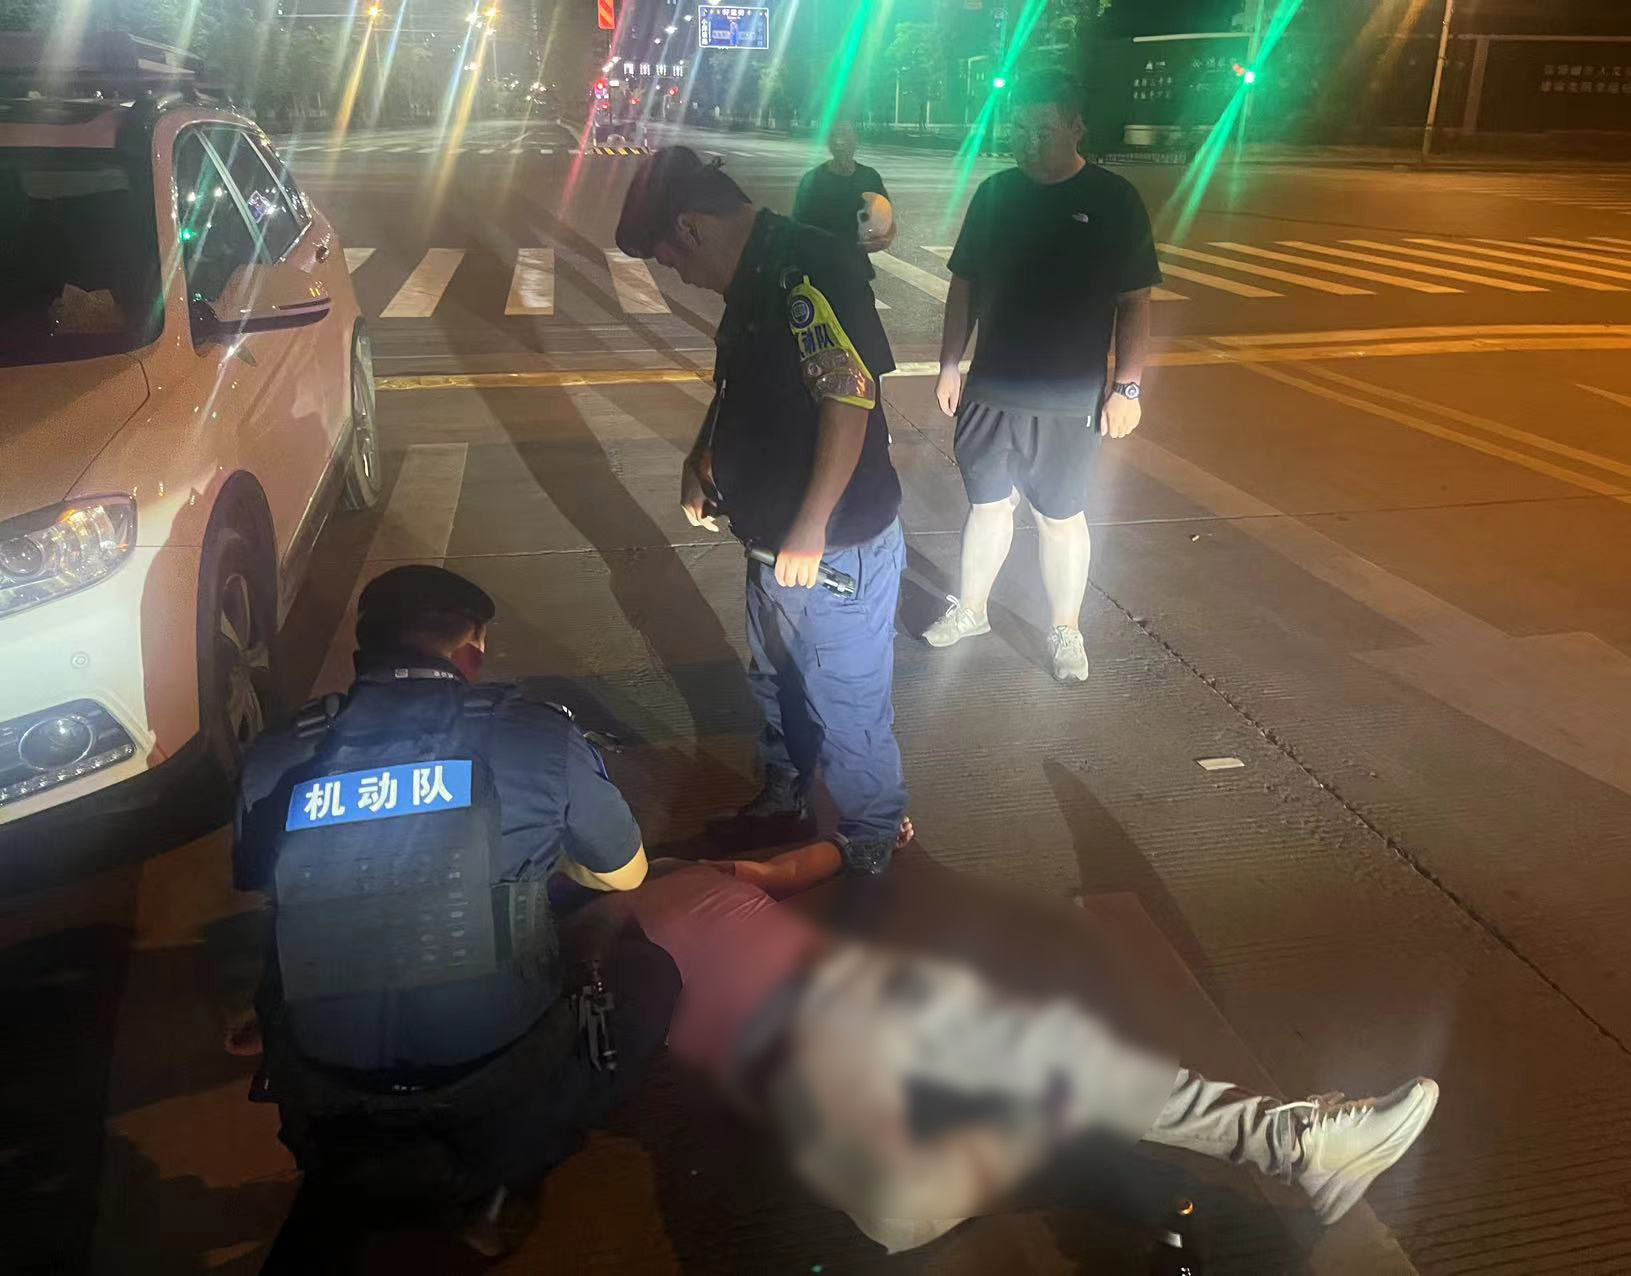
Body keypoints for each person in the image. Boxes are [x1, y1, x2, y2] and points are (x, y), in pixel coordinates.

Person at [584, 847, 1441, 1255]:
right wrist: (855, 841)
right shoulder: (663, 906)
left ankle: (1295, 1145)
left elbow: (784, 873)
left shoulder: (642, 930)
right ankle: (1292, 1145)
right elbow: (789, 871)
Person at [233, 565, 675, 1265]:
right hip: (495, 1086)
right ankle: (505, 1181)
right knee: (647, 971)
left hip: (326, 1093)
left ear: (363, 652)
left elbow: (265, 882)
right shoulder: (535, 736)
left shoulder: (278, 753)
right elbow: (625, 872)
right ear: (472, 651)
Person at [615, 146, 909, 874]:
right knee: (777, 678)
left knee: (845, 701)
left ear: (690, 227)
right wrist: (702, 457)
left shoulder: (809, 268)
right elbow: (736, 384)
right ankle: (785, 796)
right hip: (773, 539)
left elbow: (848, 398)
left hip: (834, 547)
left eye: (671, 260)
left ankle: (873, 834)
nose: (678, 275)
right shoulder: (753, 275)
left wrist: (811, 526)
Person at [926, 69, 1163, 685]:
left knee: (1059, 515)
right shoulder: (995, 194)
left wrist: (1127, 386)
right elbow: (964, 284)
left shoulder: (1113, 200)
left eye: (1042, 129)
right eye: (1018, 128)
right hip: (991, 387)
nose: (1027, 141)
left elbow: (1135, 300)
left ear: (1075, 127)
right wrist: (951, 363)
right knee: (987, 504)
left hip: (1068, 396)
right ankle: (972, 609)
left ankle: (1065, 627)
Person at [793, 120, 897, 253]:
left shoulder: (870, 177)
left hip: (856, 261)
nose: (839, 141)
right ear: (828, 142)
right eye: (834, 135)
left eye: (845, 134)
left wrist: (884, 239)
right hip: (818, 259)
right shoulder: (813, 180)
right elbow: (797, 226)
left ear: (855, 139)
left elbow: (887, 220)